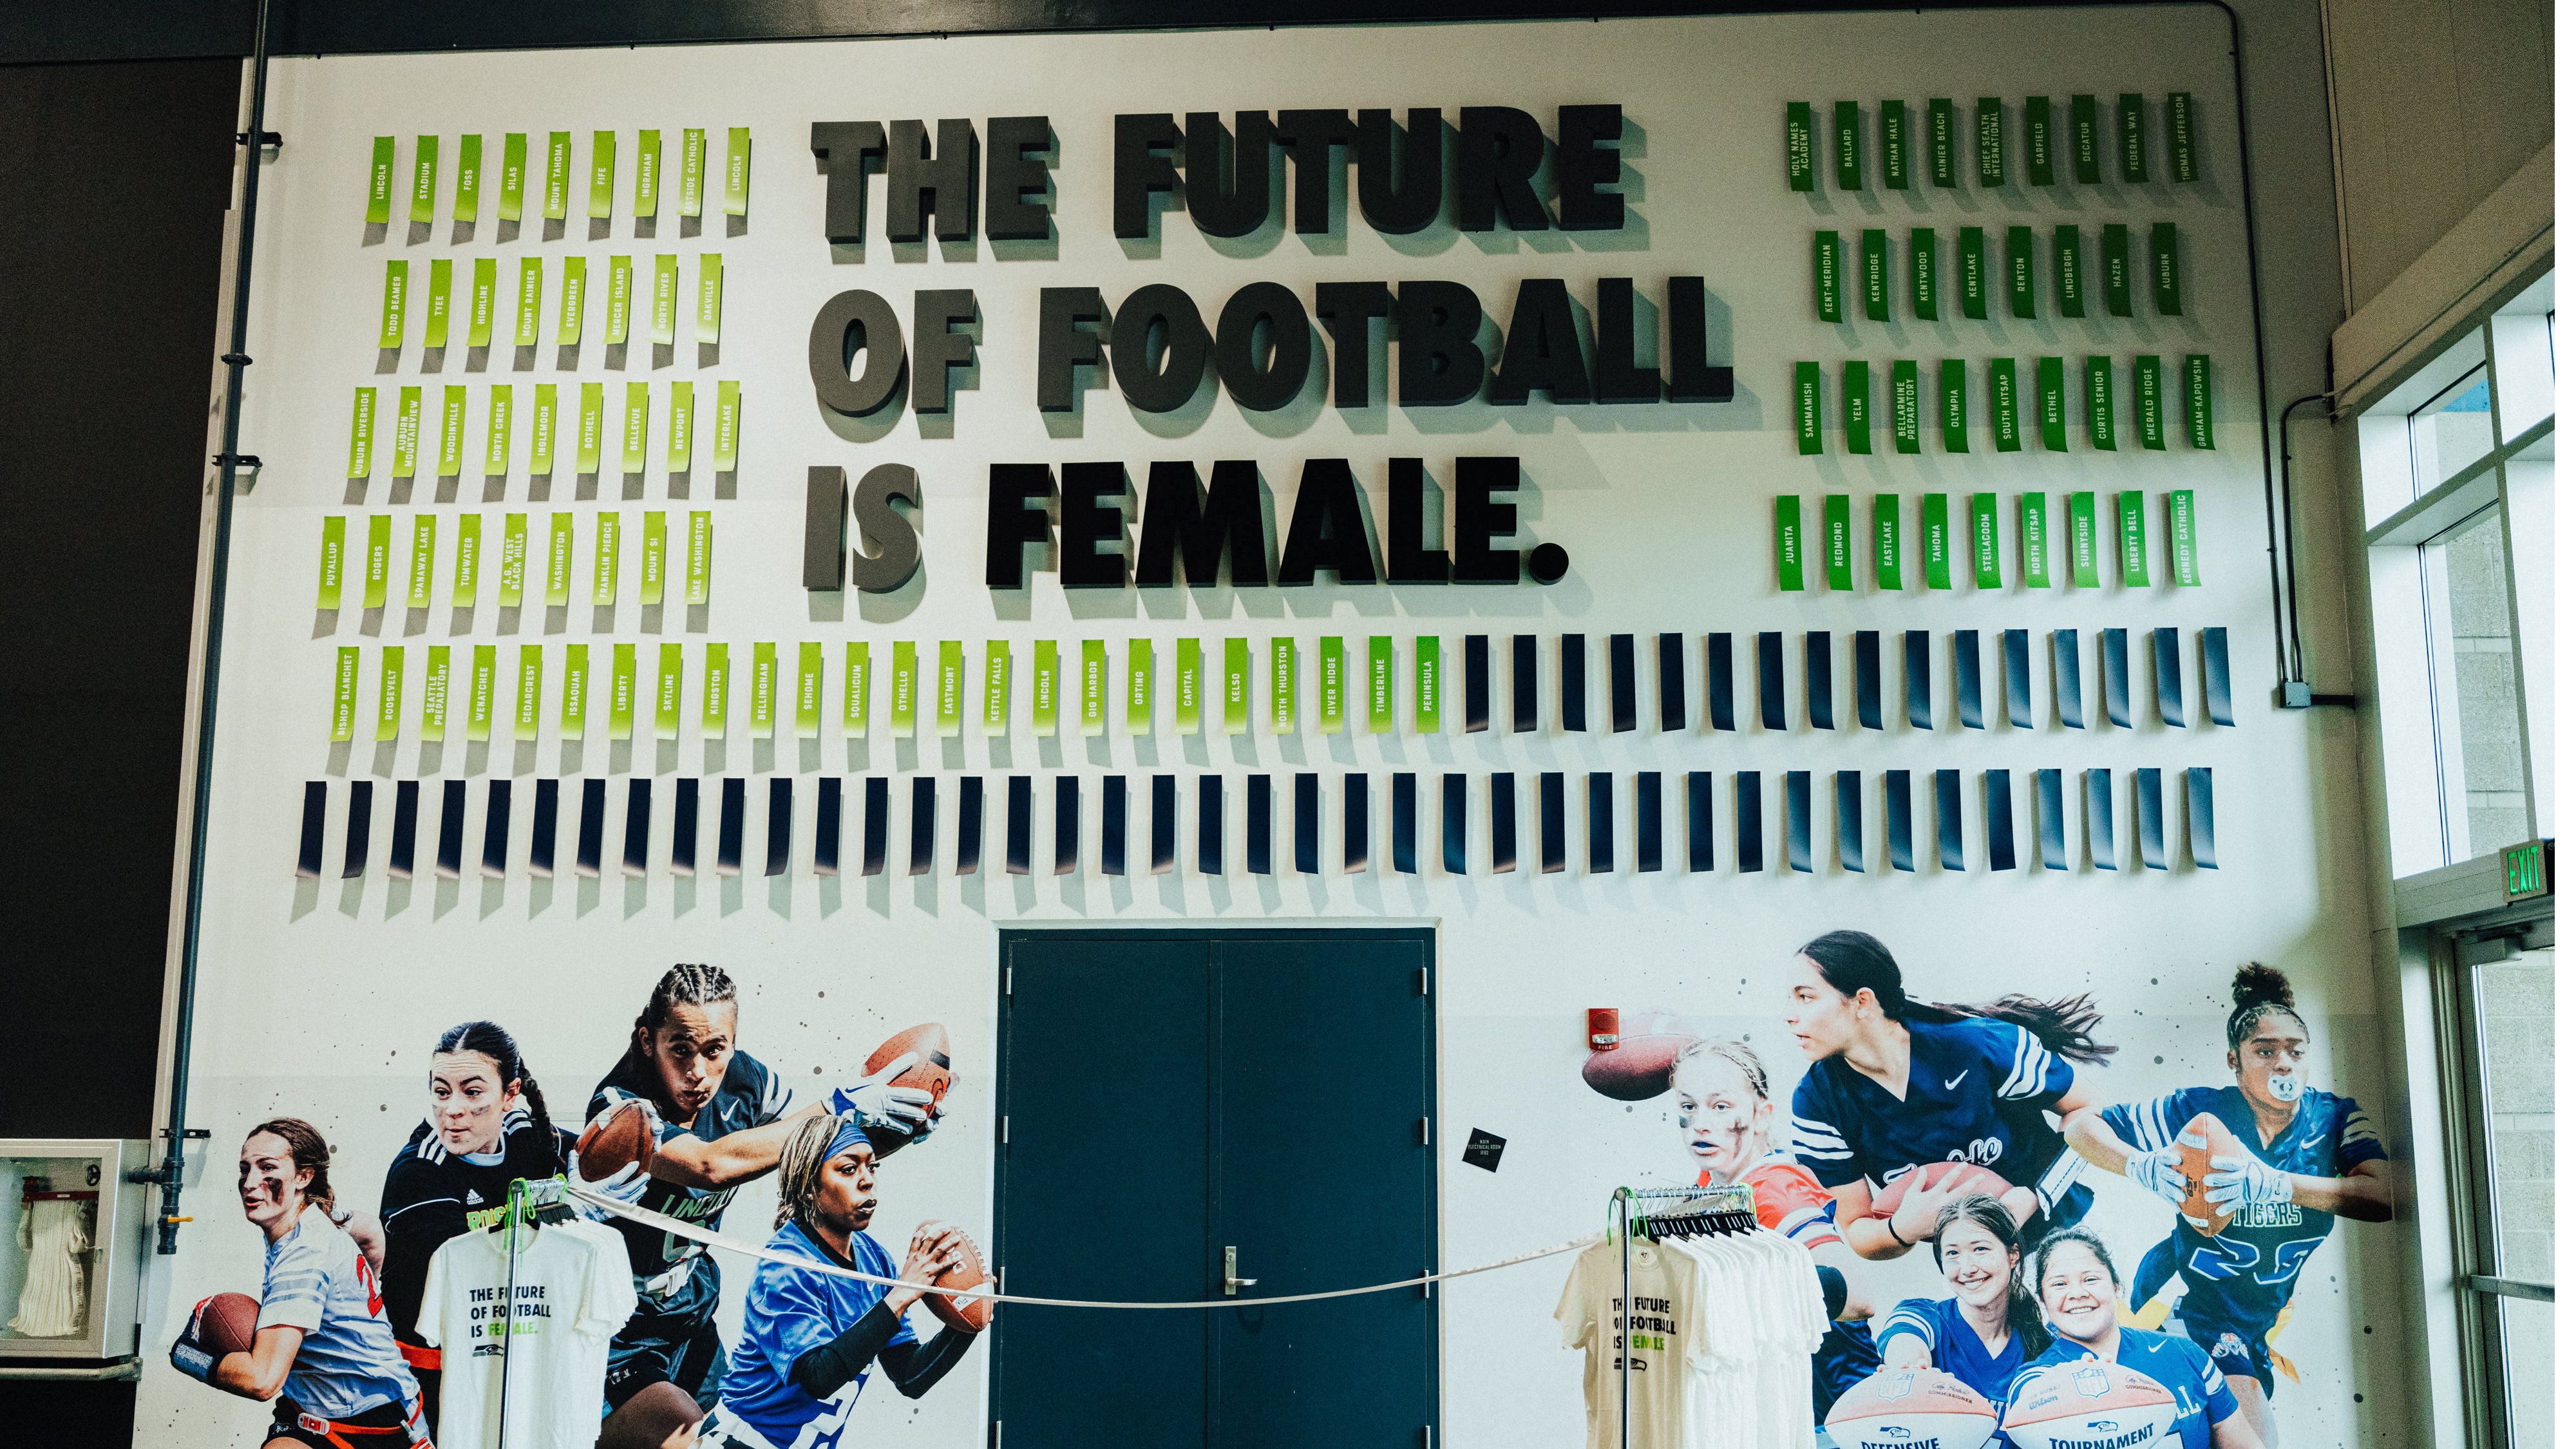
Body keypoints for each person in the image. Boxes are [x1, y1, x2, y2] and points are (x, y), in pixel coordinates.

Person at [581, 963, 943, 1448]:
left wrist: (893, 1128)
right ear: (648, 1040)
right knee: (685, 1433)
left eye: (715, 1050)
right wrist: (839, 1107)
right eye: (681, 1049)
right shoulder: (620, 1106)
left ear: (733, 1043)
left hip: (690, 1316)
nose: (698, 1072)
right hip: (620, 1327)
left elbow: (812, 1158)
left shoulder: (749, 1081)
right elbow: (709, 1165)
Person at [2061, 963, 2391, 1448]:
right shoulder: (2202, 1112)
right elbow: (2079, 1127)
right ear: (2234, 1061)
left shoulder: (2334, 1117)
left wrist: (2278, 1185)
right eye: (2265, 1051)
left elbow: (2384, 1196)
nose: (2283, 1064)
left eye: (2295, 1051)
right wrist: (2138, 1165)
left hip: (2259, 1319)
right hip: (2194, 1308)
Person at [1782, 930, 2112, 1260]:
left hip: (2069, 1233)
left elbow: (2089, 1108)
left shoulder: (1977, 1047)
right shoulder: (1816, 1103)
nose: (1789, 1015)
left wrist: (2037, 1196)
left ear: (1862, 1002)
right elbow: (1857, 1227)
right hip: (1972, 1263)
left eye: (1806, 997)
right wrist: (1901, 1229)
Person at [698, 1113, 983, 1448]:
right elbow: (819, 1378)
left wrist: (969, 1317)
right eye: (849, 1169)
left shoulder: (874, 1259)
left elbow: (910, 1377)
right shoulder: (786, 1266)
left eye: (872, 1167)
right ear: (809, 1185)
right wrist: (901, 1294)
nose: (867, 1181)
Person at [172, 1119, 431, 1448]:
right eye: (245, 1169)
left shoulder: (304, 1256)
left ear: (303, 1177)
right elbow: (372, 1232)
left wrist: (187, 1354)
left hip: (375, 1421)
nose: (250, 1183)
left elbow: (262, 1381)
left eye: (268, 1168)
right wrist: (364, 1297)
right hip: (306, 1411)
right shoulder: (318, 1215)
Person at [1668, 1037, 1881, 1423]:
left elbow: (1858, 1298)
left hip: (1836, 1402)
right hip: (1778, 1396)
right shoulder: (1711, 1184)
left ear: (1762, 1116)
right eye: (1688, 1106)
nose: (1700, 1123)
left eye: (1720, 1106)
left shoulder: (1775, 1190)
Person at [374, 1021, 576, 1427]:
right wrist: (581, 1218)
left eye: (472, 1092)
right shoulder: (418, 1172)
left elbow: (597, 1157)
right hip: (430, 1376)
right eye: (442, 1092)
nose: (453, 1110)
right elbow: (477, 1273)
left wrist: (594, 1179)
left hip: (512, 1360)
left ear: (510, 1095)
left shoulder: (530, 1140)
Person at [2005, 1227, 2261, 1449]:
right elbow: (2029, 1396)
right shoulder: (2037, 1376)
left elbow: (2242, 1441)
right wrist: (2069, 1389)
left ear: (2116, 1286)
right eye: (2060, 1284)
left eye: (2090, 1279)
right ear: (2043, 1299)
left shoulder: (2184, 1354)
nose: (2077, 1293)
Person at [1876, 1193, 2051, 1424]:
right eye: (1953, 1254)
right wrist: (1909, 1370)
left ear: (2013, 1255)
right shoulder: (1925, 1316)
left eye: (1980, 1249)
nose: (1967, 1268)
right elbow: (1905, 1339)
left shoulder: (2042, 1343)